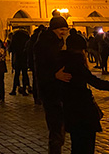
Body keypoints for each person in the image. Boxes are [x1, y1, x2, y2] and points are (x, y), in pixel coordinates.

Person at [60, 33, 109, 153]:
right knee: (86, 146)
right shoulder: (76, 63)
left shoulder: (62, 62)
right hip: (83, 112)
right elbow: (97, 83)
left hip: (70, 110)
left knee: (77, 145)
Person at [34, 16, 71, 154]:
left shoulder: (60, 42)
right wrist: (53, 75)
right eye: (62, 29)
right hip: (50, 89)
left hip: (60, 88)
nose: (64, 32)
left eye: (66, 30)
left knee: (60, 127)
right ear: (55, 29)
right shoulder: (44, 43)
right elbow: (39, 67)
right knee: (56, 127)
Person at [9, 28, 30, 96]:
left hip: (17, 58)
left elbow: (11, 48)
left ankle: (14, 89)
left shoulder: (15, 37)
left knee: (17, 74)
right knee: (24, 74)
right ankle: (24, 90)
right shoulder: (26, 37)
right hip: (24, 57)